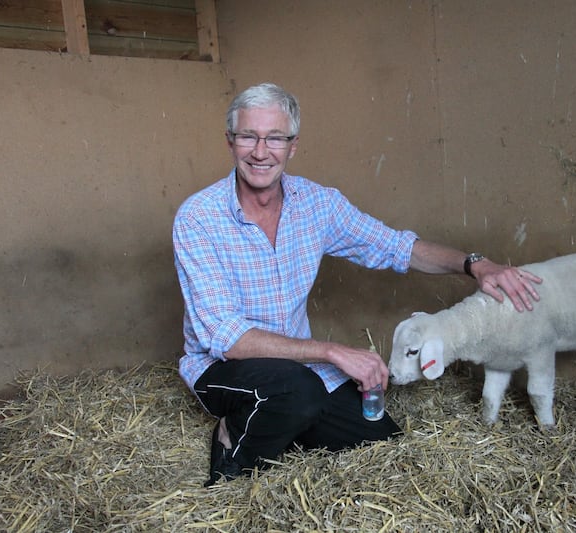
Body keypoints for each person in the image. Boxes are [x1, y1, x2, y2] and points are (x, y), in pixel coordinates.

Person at [172, 82, 542, 486]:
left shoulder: (318, 204)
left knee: (379, 438)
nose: (261, 152)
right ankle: (231, 441)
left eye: (275, 138)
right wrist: (332, 352)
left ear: (292, 146)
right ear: (230, 141)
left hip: (297, 370)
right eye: (249, 136)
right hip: (223, 369)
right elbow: (229, 339)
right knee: (297, 393)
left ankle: (284, 419)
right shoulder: (198, 219)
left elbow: (395, 247)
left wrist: (476, 265)